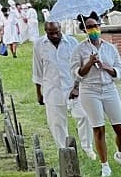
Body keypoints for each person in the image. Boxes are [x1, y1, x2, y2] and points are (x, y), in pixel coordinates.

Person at [71, 12, 121, 177]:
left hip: (109, 88)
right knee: (98, 128)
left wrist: (105, 66)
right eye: (89, 27)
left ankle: (120, 154)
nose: (93, 29)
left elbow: (119, 72)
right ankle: (104, 164)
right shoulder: (80, 49)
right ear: (85, 29)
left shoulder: (109, 48)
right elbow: (76, 73)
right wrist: (89, 63)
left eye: (95, 26)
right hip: (90, 90)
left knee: (120, 127)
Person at [33, 20, 94, 156]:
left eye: (56, 32)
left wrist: (77, 86)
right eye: (50, 33)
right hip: (52, 89)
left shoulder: (72, 42)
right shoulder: (39, 45)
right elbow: (37, 70)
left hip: (72, 87)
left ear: (61, 29)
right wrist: (39, 92)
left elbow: (80, 67)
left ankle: (87, 147)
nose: (54, 36)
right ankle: (64, 151)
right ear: (45, 31)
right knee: (57, 123)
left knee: (84, 116)